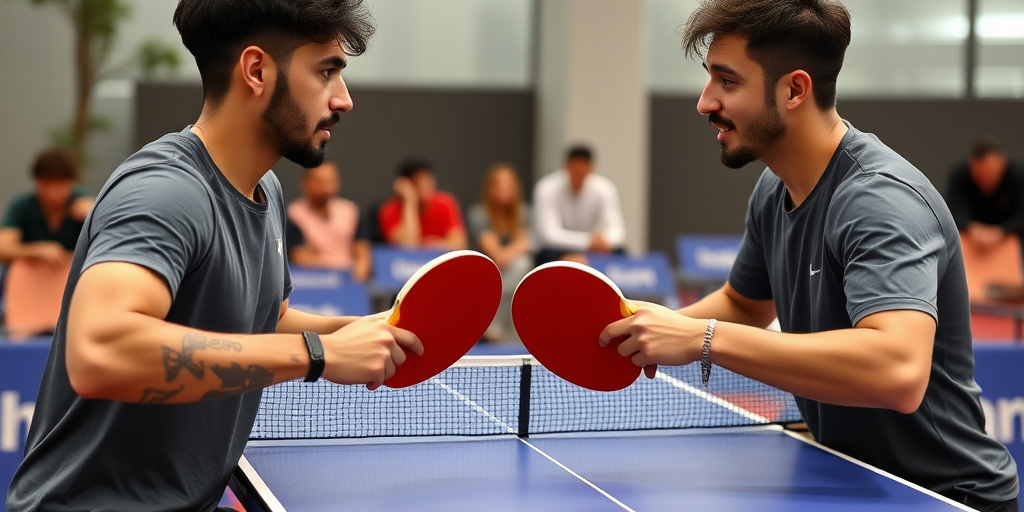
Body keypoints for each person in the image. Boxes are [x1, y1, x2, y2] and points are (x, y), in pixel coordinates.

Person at [601, 1, 1019, 511]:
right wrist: (642, 327)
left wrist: (702, 339)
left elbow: (899, 371)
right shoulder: (773, 189)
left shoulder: (879, 202)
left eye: (727, 81)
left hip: (944, 495)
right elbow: (744, 305)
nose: (705, 101)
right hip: (858, 483)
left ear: (794, 90)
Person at [7, 1, 422, 511]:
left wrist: (361, 330)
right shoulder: (166, 190)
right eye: (326, 72)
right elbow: (99, 351)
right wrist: (319, 355)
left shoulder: (265, 190)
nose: (344, 99)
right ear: (256, 71)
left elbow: (264, 317)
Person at [467, 162, 532, 342]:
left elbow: (525, 243)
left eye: (508, 186)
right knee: (519, 264)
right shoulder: (479, 213)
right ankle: (492, 322)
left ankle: (496, 324)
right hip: (488, 271)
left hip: (514, 276)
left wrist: (508, 255)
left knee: (522, 264)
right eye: (498, 186)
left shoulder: (524, 213)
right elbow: (495, 252)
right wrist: (509, 254)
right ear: (490, 189)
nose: (504, 190)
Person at [532, 144, 626, 266]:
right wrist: (587, 241)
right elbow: (550, 235)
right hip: (558, 249)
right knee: (547, 254)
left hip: (592, 249)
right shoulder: (547, 188)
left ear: (591, 168)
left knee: (621, 253)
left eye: (583, 170)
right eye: (575, 170)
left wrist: (602, 241)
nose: (579, 175)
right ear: (566, 166)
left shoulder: (604, 189)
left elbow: (618, 231)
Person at [0, 148, 94, 266]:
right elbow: (3, 249)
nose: (52, 193)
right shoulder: (22, 206)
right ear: (36, 181)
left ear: (72, 182)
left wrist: (93, 216)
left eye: (59, 185)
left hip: (72, 273)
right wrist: (36, 251)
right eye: (46, 184)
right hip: (30, 273)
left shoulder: (86, 204)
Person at [945, 139, 1024, 256]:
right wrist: (972, 228)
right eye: (980, 174)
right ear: (971, 167)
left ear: (1002, 162)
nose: (985, 179)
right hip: (969, 246)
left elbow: (1021, 216)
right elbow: (952, 212)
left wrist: (1000, 231)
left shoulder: (1018, 176)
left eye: (990, 172)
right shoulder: (960, 175)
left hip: (1013, 245)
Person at [378, 158, 468, 250]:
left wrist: (427, 244)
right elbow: (408, 244)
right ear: (406, 185)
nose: (425, 186)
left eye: (428, 180)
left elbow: (459, 244)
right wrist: (409, 201)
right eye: (418, 182)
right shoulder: (389, 210)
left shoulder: (445, 203)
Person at [287, 159, 360, 270]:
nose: (325, 188)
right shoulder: (293, 215)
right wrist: (344, 264)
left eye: (330, 181)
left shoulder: (351, 211)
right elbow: (299, 257)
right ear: (305, 183)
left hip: (349, 277)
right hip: (311, 277)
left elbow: (362, 253)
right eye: (319, 182)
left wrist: (358, 269)